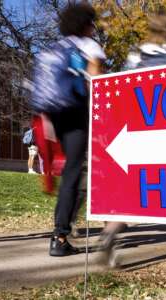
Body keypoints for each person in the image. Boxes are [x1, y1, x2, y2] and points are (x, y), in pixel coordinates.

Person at [99, 9, 166, 264]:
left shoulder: (136, 55)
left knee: (133, 186)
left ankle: (110, 231)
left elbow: (122, 88)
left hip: (139, 132)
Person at [34, 3, 105, 256]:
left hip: (53, 113)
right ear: (87, 24)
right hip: (76, 113)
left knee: (72, 172)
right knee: (76, 171)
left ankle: (65, 227)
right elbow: (97, 83)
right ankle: (61, 235)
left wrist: (47, 120)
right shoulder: (89, 46)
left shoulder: (55, 48)